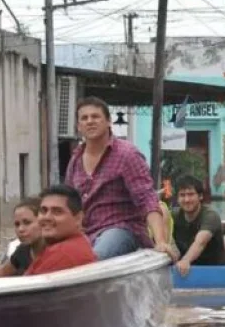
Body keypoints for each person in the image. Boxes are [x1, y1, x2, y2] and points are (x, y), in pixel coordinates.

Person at [65, 96, 175, 261]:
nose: (90, 121)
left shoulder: (127, 154)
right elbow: (68, 202)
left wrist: (160, 241)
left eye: (95, 116)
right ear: (78, 126)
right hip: (85, 234)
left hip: (121, 229)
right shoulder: (75, 159)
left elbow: (147, 198)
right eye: (84, 118)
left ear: (108, 121)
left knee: (95, 259)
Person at [25, 185, 97, 276]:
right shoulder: (74, 245)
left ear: (78, 218)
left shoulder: (64, 253)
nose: (47, 217)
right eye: (43, 211)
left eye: (57, 212)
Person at [173, 174, 225, 276]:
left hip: (214, 273)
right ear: (177, 198)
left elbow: (200, 242)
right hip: (185, 274)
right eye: (182, 195)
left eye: (191, 194)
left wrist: (186, 260)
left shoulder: (210, 215)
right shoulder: (174, 216)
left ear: (200, 196)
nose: (187, 200)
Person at [0, 197, 43, 277]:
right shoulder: (23, 250)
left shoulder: (56, 251)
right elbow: (1, 273)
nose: (20, 229)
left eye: (27, 223)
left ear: (43, 222)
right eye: (17, 224)